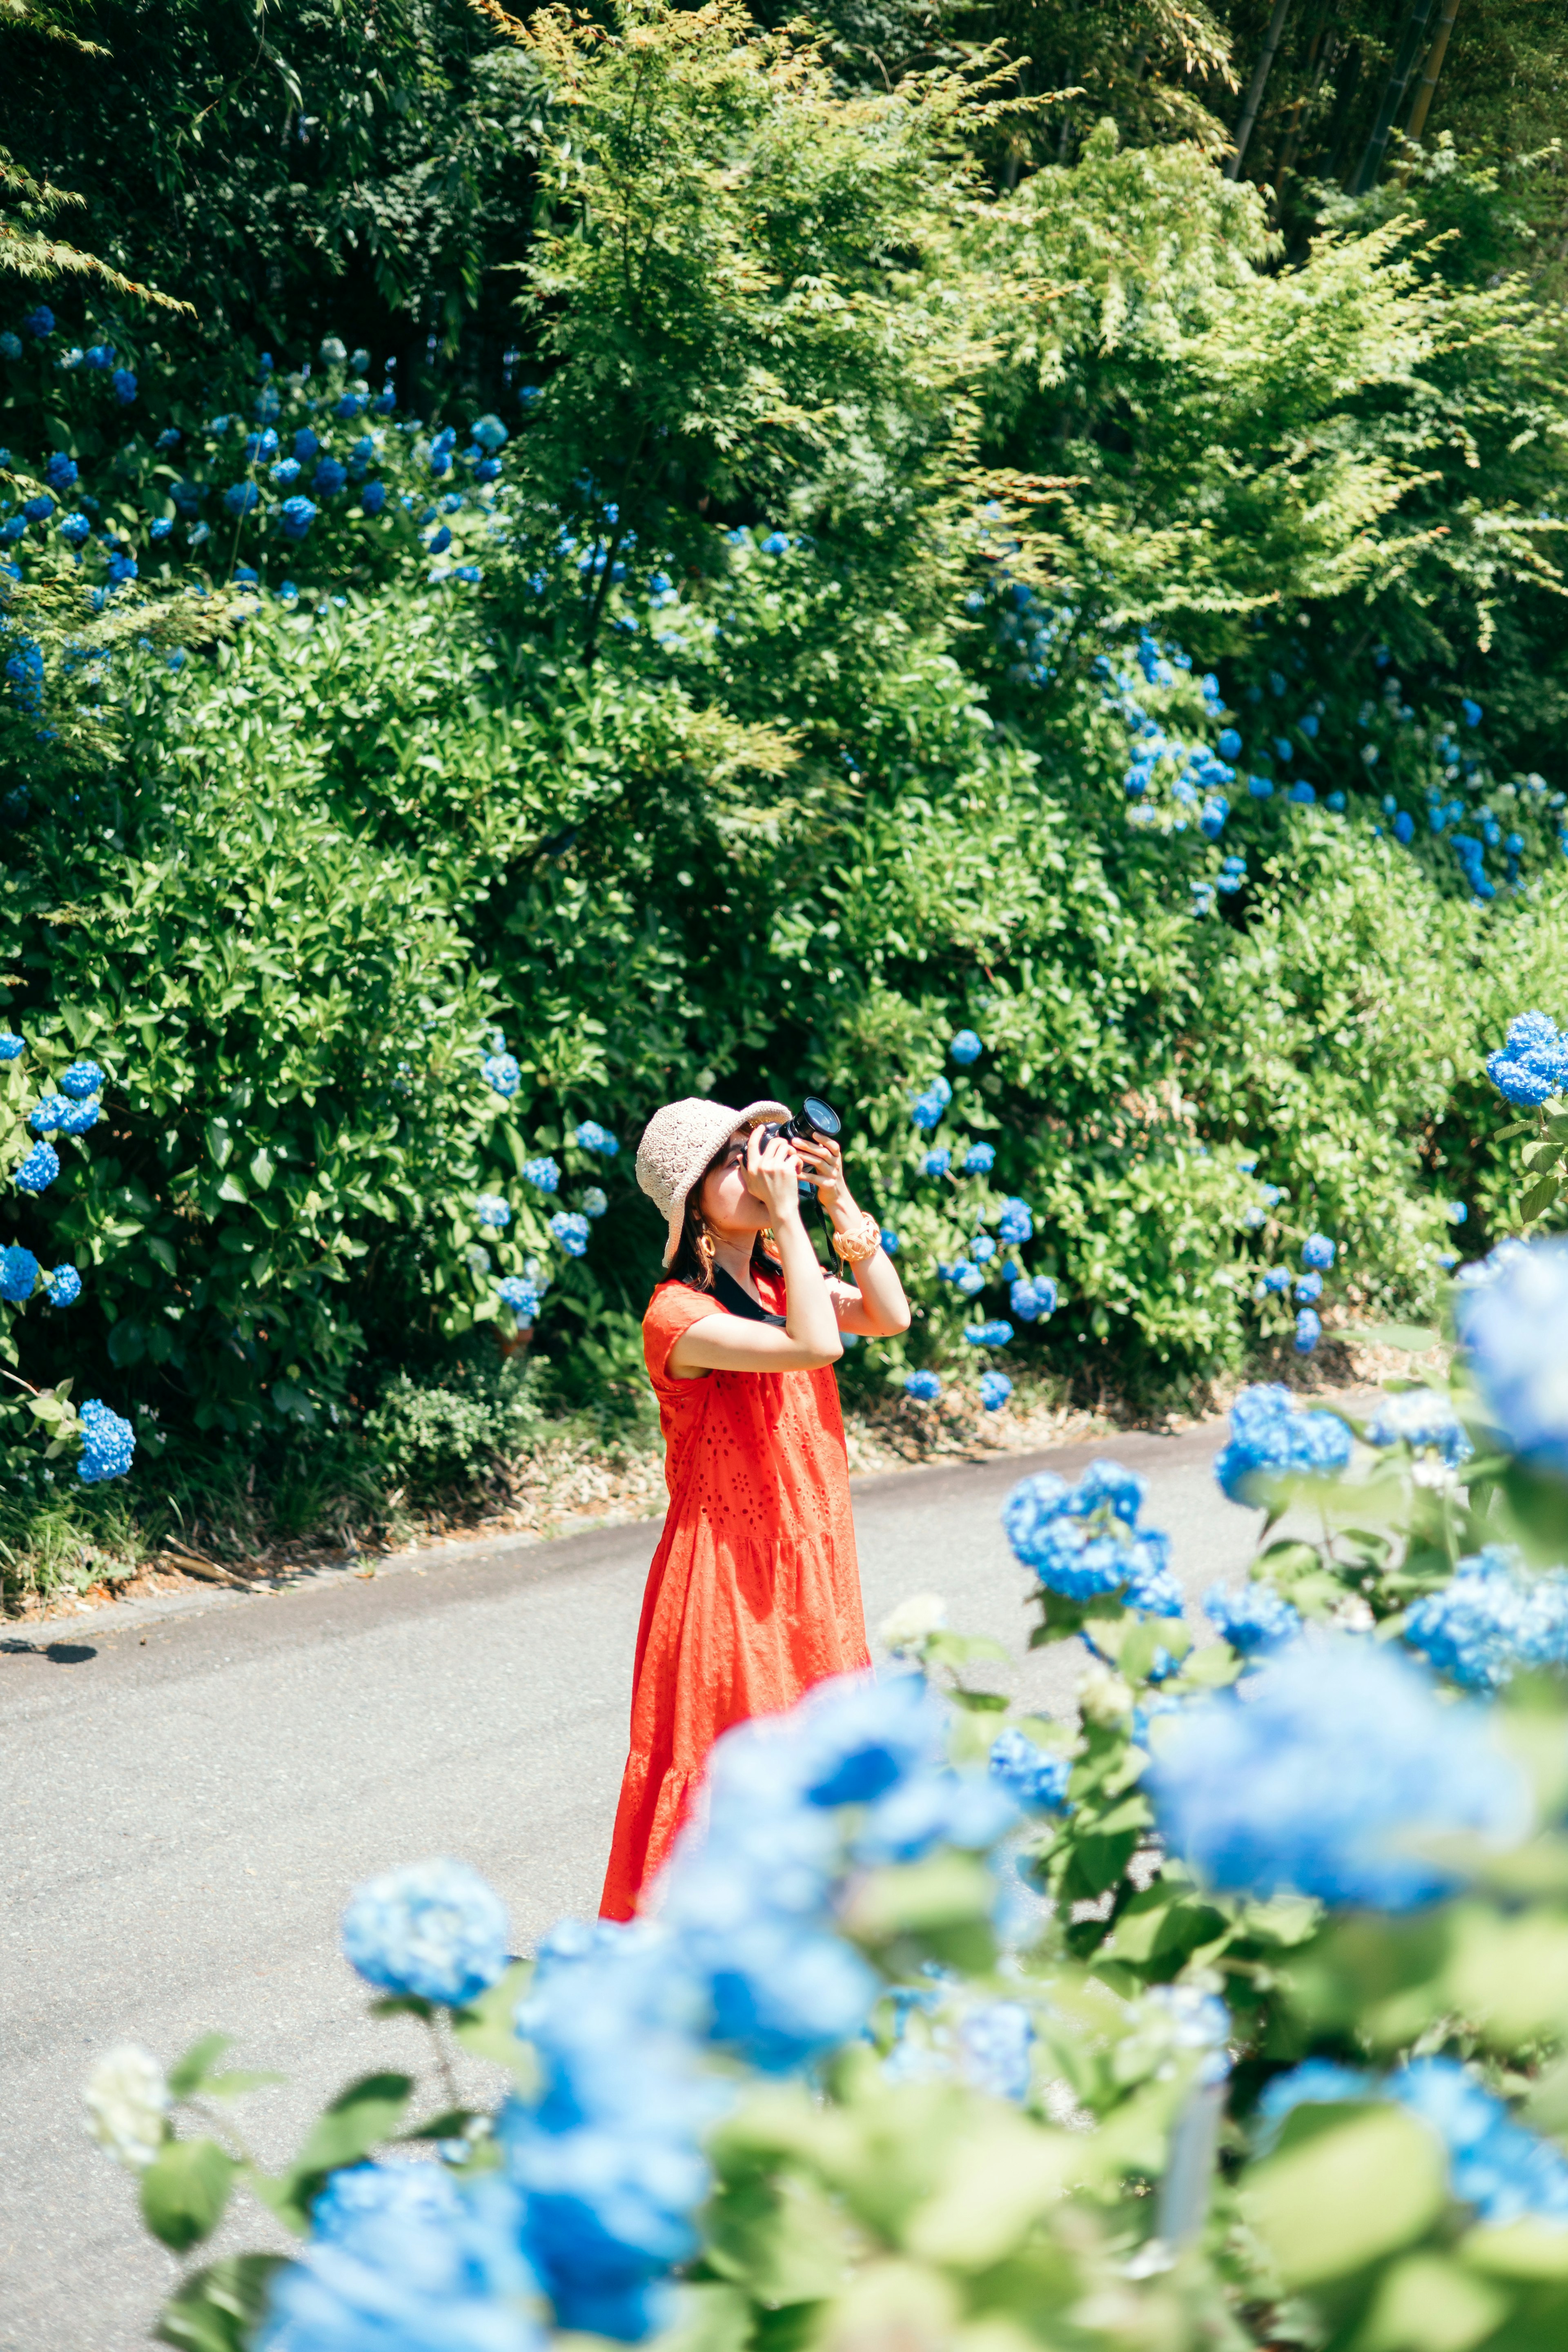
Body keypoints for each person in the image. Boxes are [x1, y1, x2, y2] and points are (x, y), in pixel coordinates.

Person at [599, 1094, 911, 1920]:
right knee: (734, 1757)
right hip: (728, 1582)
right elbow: (817, 1343)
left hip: (811, 1561)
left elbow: (889, 1314)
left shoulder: (778, 1282)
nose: (758, 1165)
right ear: (693, 1196)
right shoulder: (679, 1315)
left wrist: (839, 1202)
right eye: (734, 1159)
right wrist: (791, 1221)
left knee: (823, 1753)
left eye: (757, 1147)